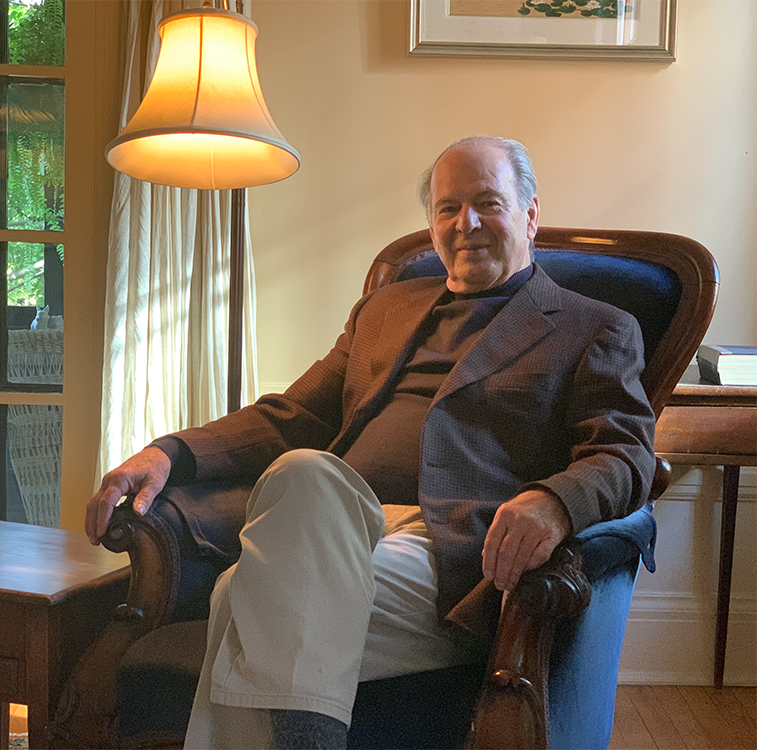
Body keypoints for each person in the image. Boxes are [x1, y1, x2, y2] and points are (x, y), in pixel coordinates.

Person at [87, 136, 656, 749]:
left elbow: (625, 453)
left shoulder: (592, 326)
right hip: (332, 523)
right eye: (447, 208)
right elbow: (291, 415)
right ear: (432, 224)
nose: (465, 224)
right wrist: (166, 453)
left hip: (448, 546)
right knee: (304, 472)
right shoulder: (384, 309)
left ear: (530, 214)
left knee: (240, 599)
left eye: (488, 203)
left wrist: (554, 501)